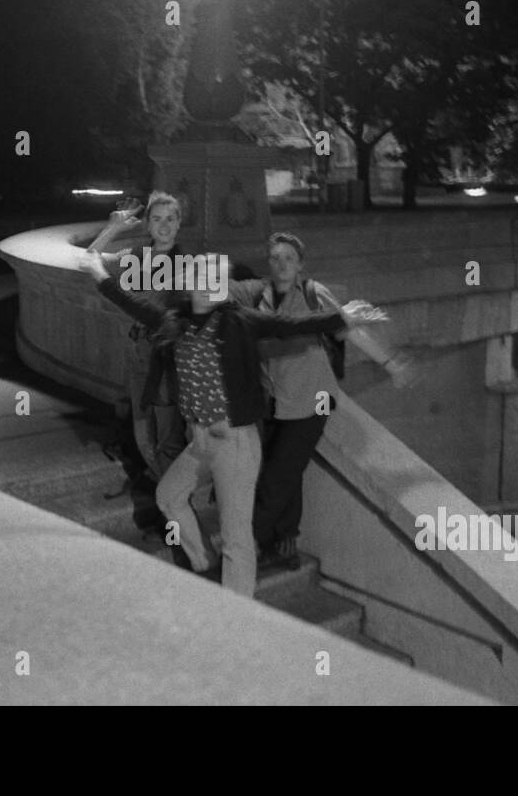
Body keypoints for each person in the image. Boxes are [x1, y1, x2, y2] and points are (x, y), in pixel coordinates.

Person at [78, 247, 383, 598]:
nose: (214, 285)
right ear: (193, 283)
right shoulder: (175, 321)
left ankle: (238, 612)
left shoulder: (239, 321)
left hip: (234, 442)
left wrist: (343, 318)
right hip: (201, 440)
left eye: (219, 279)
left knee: (236, 538)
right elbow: (127, 301)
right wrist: (97, 270)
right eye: (207, 278)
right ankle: (205, 563)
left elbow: (288, 326)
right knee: (168, 497)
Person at [229, 232, 347, 570]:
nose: (282, 265)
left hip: (313, 400)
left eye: (289, 259)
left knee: (276, 478)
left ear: (301, 265)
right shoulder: (258, 296)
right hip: (277, 400)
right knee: (287, 472)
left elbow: (348, 327)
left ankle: (242, 544)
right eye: (275, 258)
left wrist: (389, 363)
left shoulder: (313, 292)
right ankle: (284, 546)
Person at [87, 190, 190, 483]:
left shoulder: (189, 261)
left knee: (168, 434)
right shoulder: (136, 258)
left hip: (168, 357)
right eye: (157, 219)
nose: (164, 225)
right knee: (144, 431)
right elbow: (90, 259)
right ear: (147, 224)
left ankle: (173, 502)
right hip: (138, 350)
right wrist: (114, 227)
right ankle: (167, 491)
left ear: (179, 223)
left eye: (171, 218)